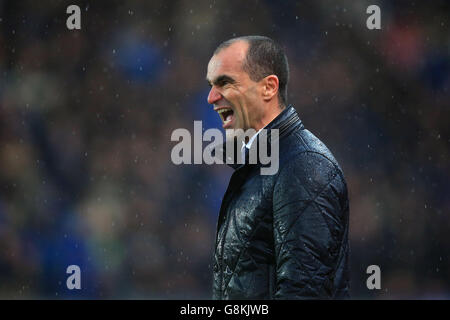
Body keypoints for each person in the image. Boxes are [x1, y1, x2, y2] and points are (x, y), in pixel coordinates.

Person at [205, 35, 350, 299]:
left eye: (224, 82)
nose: (211, 97)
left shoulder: (303, 165)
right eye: (212, 85)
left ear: (269, 88)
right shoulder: (261, 165)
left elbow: (305, 292)